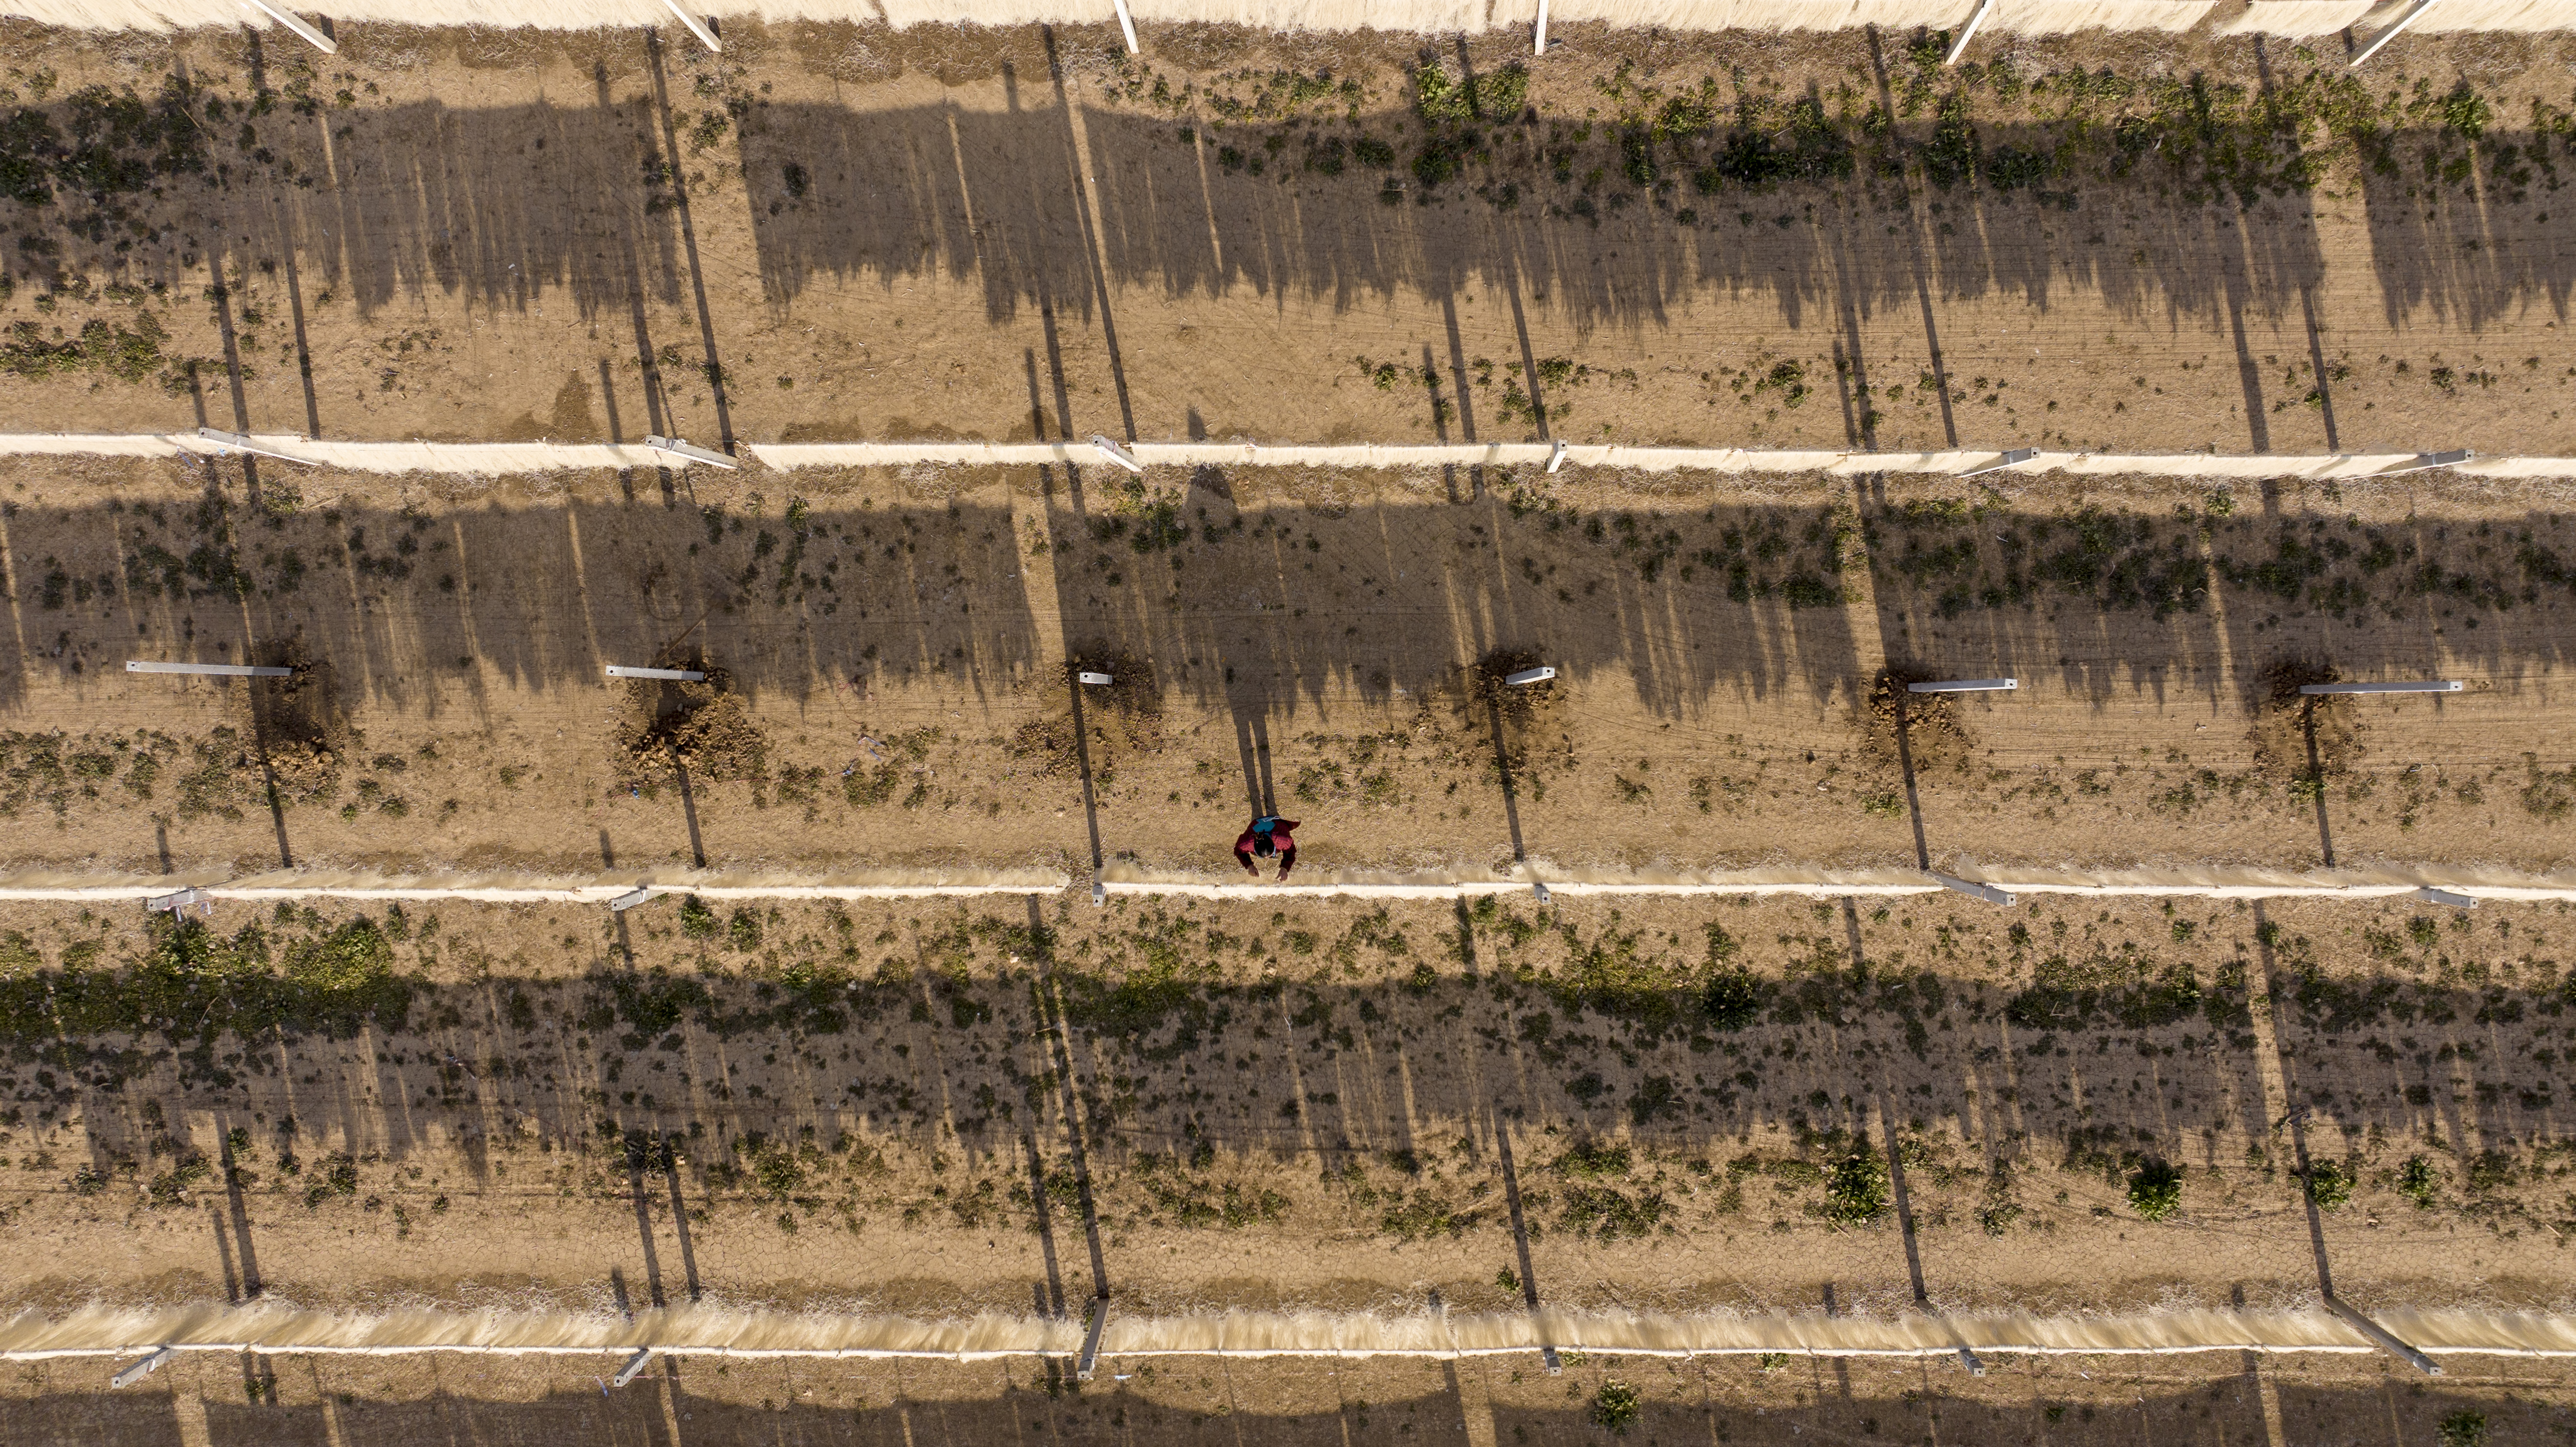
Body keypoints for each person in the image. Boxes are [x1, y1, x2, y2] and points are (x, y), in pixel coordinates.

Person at [1234, 815, 1300, 880]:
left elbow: (1291, 851)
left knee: (1272, 814)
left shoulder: (1281, 839)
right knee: (1258, 814)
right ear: (1253, 846)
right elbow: (1238, 851)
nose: (1268, 858)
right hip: (1257, 823)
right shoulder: (1248, 842)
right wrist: (1249, 865)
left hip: (1277, 823)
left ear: (1274, 843)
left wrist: (1285, 868)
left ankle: (1272, 814)